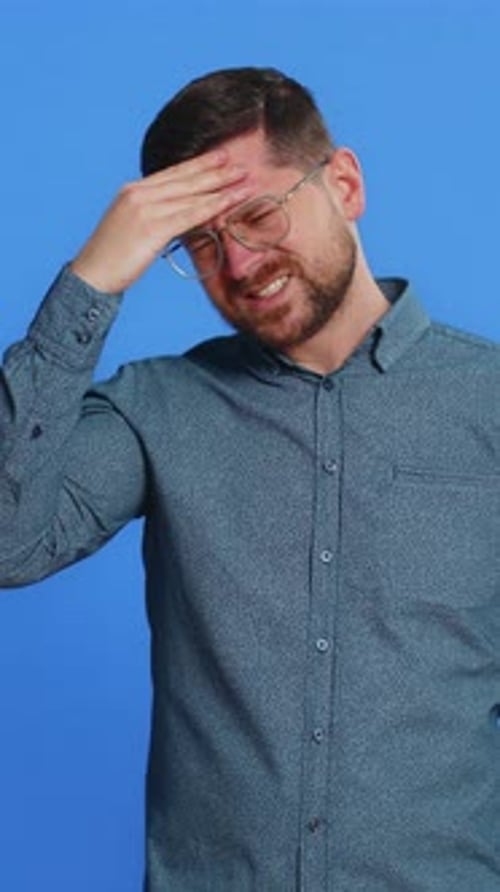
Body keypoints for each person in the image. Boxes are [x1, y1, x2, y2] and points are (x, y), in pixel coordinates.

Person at [0, 66, 499, 892]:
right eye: (200, 242)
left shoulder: (487, 404)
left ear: (344, 184)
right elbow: (8, 544)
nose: (238, 262)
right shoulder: (155, 408)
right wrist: (90, 283)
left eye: (260, 215)